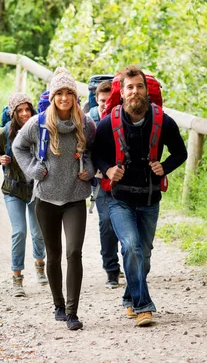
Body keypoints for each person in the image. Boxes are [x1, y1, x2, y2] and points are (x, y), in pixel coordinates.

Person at [92, 65, 187, 327]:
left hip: (149, 199)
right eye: (130, 87)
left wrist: (164, 167)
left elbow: (181, 152)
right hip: (119, 199)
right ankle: (144, 306)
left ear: (146, 91)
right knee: (132, 246)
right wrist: (108, 169)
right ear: (121, 93)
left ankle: (129, 296)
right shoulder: (108, 123)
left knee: (143, 255)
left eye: (139, 87)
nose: (135, 91)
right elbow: (95, 154)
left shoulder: (163, 122)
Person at [13, 67, 96, 331]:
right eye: (59, 93)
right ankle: (58, 304)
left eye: (68, 93)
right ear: (52, 96)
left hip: (75, 197)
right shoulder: (38, 123)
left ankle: (72, 312)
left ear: (74, 96)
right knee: (54, 254)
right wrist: (32, 169)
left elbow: (94, 151)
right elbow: (18, 146)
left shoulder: (86, 123)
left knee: (74, 252)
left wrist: (90, 170)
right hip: (46, 199)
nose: (63, 98)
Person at [0, 92, 49, 298]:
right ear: (12, 113)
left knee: (38, 231)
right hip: (13, 190)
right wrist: (0, 158)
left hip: (34, 189)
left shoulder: (39, 130)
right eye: (20, 110)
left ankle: (40, 264)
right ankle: (17, 279)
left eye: (27, 109)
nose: (25, 113)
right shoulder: (3, 133)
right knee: (19, 232)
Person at [87, 80, 121, 288]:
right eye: (101, 101)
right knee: (106, 223)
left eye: (109, 101)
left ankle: (125, 263)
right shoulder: (90, 120)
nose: (105, 105)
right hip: (100, 181)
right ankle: (111, 269)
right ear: (96, 100)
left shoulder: (121, 119)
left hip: (124, 179)